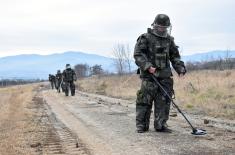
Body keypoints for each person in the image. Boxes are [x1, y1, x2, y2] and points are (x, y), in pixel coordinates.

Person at [134, 14, 186, 133]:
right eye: (160, 27)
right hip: (149, 77)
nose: (162, 29)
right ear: (155, 25)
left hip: (165, 77)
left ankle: (161, 125)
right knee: (144, 101)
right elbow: (138, 55)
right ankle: (142, 125)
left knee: (164, 102)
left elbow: (175, 57)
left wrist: (180, 69)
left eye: (165, 27)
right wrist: (147, 66)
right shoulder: (145, 38)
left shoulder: (169, 40)